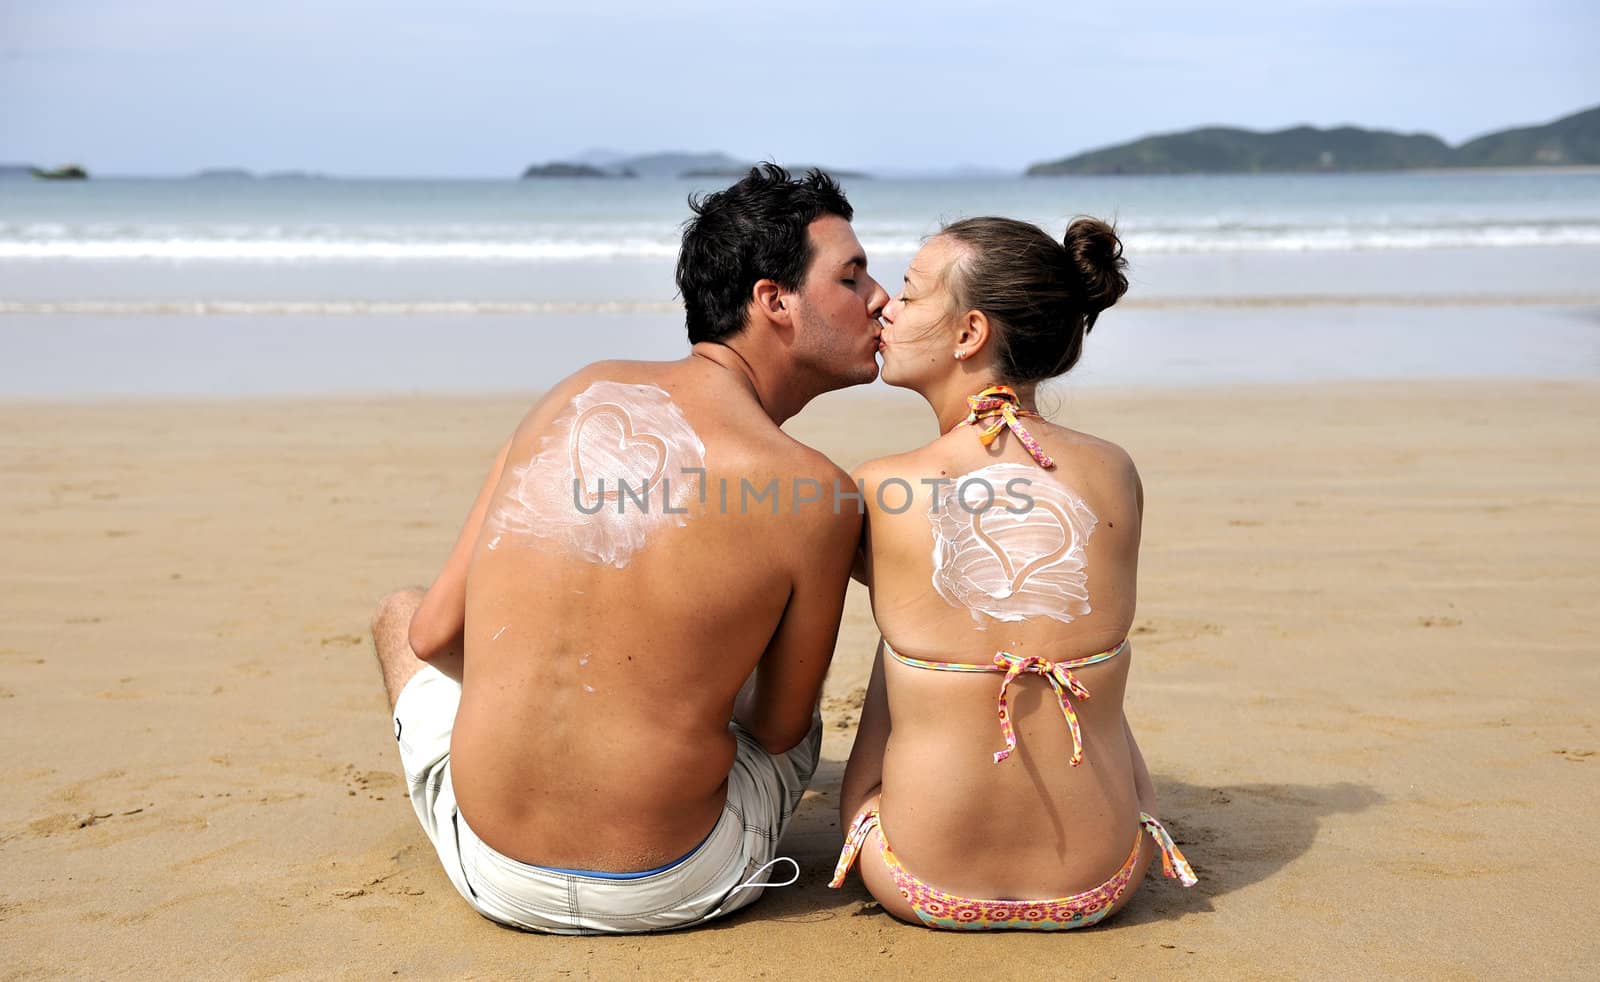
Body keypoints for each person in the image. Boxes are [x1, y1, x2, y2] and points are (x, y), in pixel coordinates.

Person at [369, 165, 888, 934]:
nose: (880, 296)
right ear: (773, 300)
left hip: (495, 872)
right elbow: (778, 732)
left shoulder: (575, 393)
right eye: (852, 277)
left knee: (399, 612)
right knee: (756, 666)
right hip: (676, 881)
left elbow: (434, 636)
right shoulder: (814, 491)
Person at [830, 216, 1197, 930]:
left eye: (906, 293)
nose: (885, 307)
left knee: (909, 631)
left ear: (969, 335)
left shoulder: (880, 486)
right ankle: (1137, 821)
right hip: (1106, 882)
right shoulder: (1113, 471)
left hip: (916, 883)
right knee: (1075, 644)